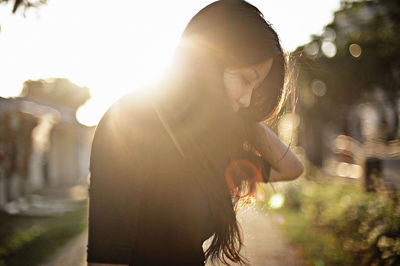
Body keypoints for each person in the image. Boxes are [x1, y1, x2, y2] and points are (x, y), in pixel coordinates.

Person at [87, 0, 304, 265]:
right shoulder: (129, 121)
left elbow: (291, 168)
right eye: (246, 80)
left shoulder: (212, 141)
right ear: (209, 62)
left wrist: (246, 119)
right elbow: (107, 256)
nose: (247, 99)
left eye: (255, 88)